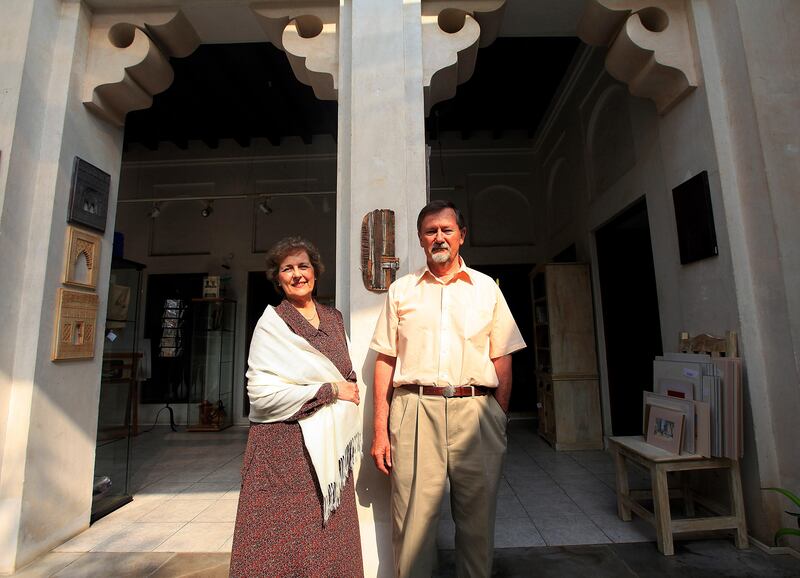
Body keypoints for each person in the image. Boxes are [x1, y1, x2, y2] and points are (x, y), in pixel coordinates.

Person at [370, 200, 526, 577]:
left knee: (477, 520)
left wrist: (496, 416)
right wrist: (380, 427)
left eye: (446, 230)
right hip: (414, 410)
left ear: (461, 236)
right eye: (430, 231)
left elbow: (502, 355)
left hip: (476, 411)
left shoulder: (486, 288)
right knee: (413, 522)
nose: (439, 237)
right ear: (421, 240)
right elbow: (386, 360)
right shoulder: (402, 291)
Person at [230, 236, 364, 577]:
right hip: (281, 451)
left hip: (328, 447)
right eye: (287, 269)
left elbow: (347, 374)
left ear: (315, 272)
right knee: (278, 547)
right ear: (278, 279)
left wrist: (344, 388)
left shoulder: (334, 319)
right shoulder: (272, 324)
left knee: (328, 541)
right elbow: (261, 395)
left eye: (303, 266)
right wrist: (329, 390)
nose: (297, 274)